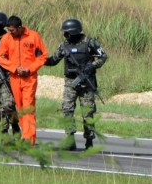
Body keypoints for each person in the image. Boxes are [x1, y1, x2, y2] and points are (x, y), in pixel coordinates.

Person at [45, 19, 107, 150]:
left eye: (66, 33)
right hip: (70, 83)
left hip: (86, 83)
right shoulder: (64, 46)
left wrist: (92, 66)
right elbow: (53, 60)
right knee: (67, 109)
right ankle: (70, 137)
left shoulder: (89, 43)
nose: (64, 36)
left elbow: (103, 56)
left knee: (88, 113)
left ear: (73, 32)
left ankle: (89, 141)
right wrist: (40, 58)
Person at [0, 15, 47, 145]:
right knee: (20, 108)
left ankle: (29, 139)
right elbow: (0, 57)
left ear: (20, 28)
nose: (10, 33)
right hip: (14, 77)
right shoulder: (7, 38)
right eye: (8, 30)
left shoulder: (34, 36)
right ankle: (25, 134)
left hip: (29, 78)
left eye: (12, 30)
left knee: (28, 106)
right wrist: (14, 68)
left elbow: (42, 56)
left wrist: (29, 69)